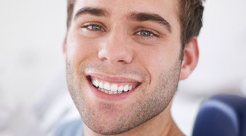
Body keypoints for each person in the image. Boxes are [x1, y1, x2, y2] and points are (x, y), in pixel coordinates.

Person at [56, 0, 204, 135]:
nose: (112, 53)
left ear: (186, 59)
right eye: (93, 26)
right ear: (66, 44)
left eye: (146, 33)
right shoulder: (63, 131)